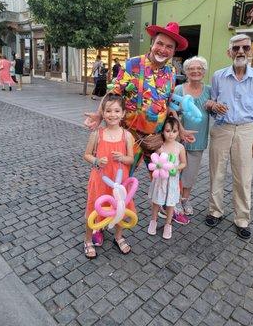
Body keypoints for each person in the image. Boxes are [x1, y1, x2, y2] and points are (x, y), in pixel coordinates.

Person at [85, 22, 196, 246]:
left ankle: (167, 211)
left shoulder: (172, 71)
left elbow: (168, 104)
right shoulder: (134, 64)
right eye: (160, 44)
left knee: (167, 176)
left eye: (169, 47)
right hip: (131, 137)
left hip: (157, 139)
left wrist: (179, 129)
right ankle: (101, 221)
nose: (163, 50)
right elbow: (114, 92)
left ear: (174, 51)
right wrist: (100, 115)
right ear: (152, 43)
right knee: (117, 181)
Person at [205, 34, 253, 240]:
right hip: (222, 129)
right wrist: (214, 106)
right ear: (229, 52)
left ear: (251, 51)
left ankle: (242, 219)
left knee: (243, 177)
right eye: (236, 48)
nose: (241, 51)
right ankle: (215, 211)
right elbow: (212, 103)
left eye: (245, 48)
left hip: (246, 130)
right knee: (217, 173)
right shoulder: (218, 76)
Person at [84, 93, 136, 258]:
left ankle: (118, 236)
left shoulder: (127, 136)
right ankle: (88, 239)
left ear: (123, 113)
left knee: (120, 208)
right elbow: (87, 155)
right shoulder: (97, 134)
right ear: (103, 113)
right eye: (108, 111)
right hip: (100, 179)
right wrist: (97, 161)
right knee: (93, 208)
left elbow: (131, 159)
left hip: (119, 182)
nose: (112, 114)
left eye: (116, 111)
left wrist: (123, 158)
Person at [170, 56, 211, 224]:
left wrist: (214, 104)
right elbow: (171, 110)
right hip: (179, 138)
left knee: (191, 172)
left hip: (198, 138)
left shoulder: (209, 90)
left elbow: (214, 109)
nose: (195, 71)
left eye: (199, 68)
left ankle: (185, 199)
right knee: (175, 171)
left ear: (204, 71)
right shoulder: (179, 89)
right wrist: (180, 128)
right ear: (186, 72)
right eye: (191, 69)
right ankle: (175, 200)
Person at [148, 116, 186, 239]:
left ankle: (168, 225)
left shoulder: (180, 147)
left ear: (178, 132)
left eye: (174, 131)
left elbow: (184, 163)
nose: (171, 134)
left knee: (170, 203)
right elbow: (155, 160)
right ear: (163, 131)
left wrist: (176, 168)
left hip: (173, 180)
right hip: (160, 180)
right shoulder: (160, 146)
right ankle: (153, 221)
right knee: (156, 201)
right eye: (168, 131)